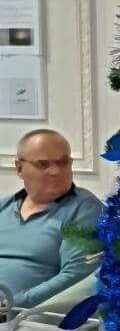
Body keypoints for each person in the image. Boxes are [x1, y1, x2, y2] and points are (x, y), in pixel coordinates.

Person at [0, 129, 101, 308]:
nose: (55, 171)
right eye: (43, 164)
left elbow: (75, 276)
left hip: (26, 317)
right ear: (19, 168)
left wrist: (12, 305)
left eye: (63, 163)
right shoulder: (4, 207)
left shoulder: (84, 209)